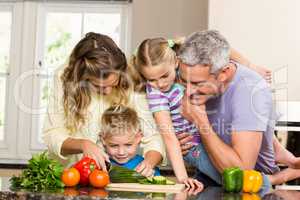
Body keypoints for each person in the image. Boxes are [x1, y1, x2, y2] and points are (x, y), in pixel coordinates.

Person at [129, 36, 273, 188]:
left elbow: (220, 47)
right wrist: (183, 179)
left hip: (207, 133)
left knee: (255, 123)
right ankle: (273, 180)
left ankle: (281, 158)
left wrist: (251, 66)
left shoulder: (186, 64)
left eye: (164, 76)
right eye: (151, 80)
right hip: (192, 146)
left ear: (176, 62)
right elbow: (169, 138)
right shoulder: (156, 94)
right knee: (232, 181)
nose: (160, 84)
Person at [177, 30, 300, 186]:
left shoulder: (250, 93)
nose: (187, 92)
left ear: (224, 73)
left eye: (197, 84)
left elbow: (238, 174)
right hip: (206, 177)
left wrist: (200, 121)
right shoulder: (194, 69)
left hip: (250, 186)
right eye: (183, 80)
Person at [42, 32, 165, 177]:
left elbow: (153, 136)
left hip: (106, 175)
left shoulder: (131, 78)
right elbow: (52, 134)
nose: (107, 91)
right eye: (98, 86)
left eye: (113, 84)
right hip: (69, 173)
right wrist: (83, 144)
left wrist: (149, 162)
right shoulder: (63, 77)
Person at [99, 105, 161, 176]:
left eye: (128, 145)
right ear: (103, 140)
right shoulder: (100, 166)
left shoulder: (147, 167)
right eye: (114, 146)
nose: (121, 152)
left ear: (138, 137)